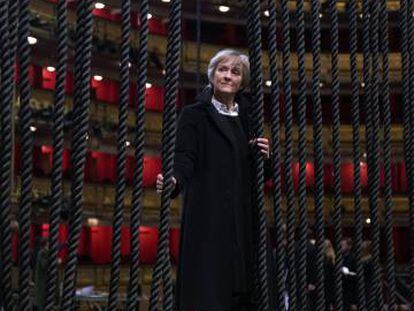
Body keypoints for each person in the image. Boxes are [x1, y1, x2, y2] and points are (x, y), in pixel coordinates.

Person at [156, 49, 270, 310]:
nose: (228, 76)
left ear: (242, 81)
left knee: (244, 290)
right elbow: (184, 157)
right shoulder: (194, 114)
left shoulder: (248, 116)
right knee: (211, 292)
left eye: (235, 72)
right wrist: (173, 181)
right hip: (210, 221)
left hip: (243, 220)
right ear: (212, 75)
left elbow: (260, 172)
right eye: (222, 70)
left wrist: (266, 156)